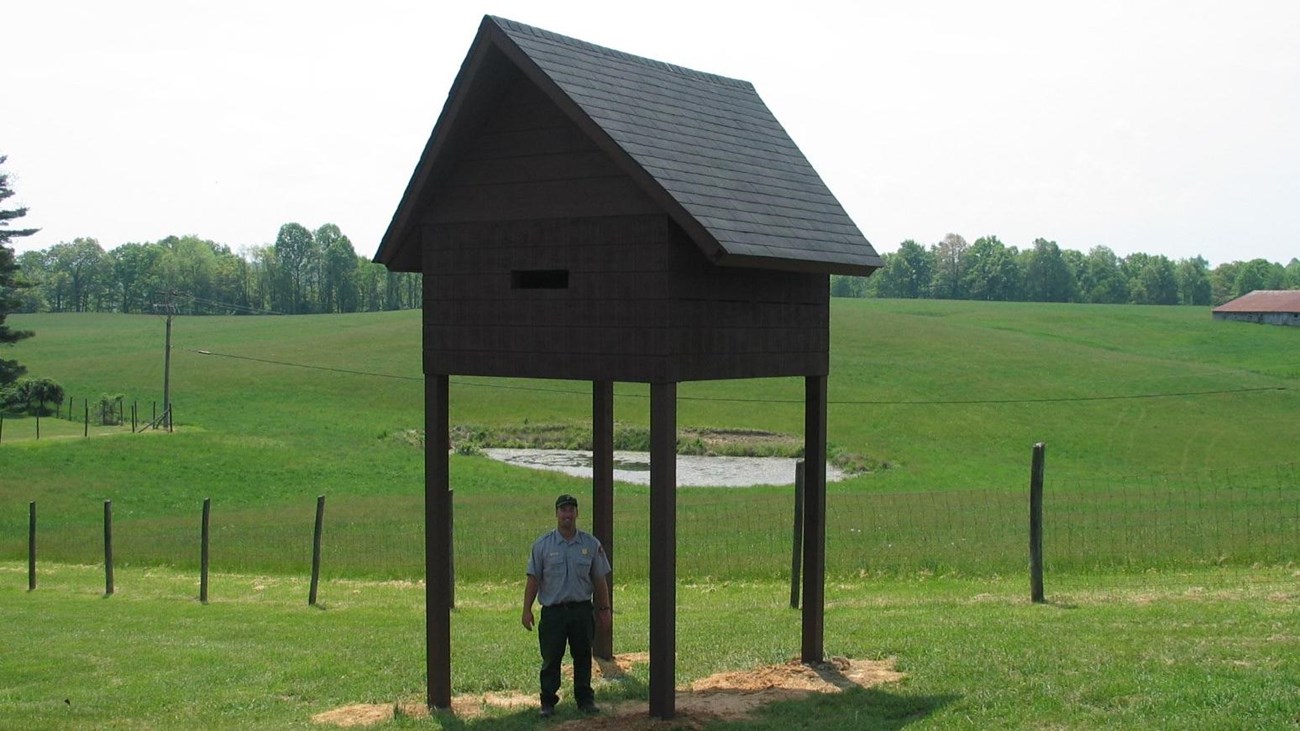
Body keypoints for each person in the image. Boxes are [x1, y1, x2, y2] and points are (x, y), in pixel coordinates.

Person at [522, 493, 612, 718]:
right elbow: (533, 579)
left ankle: (585, 700)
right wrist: (526, 610)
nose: (567, 515)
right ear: (556, 514)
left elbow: (600, 580)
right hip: (553, 613)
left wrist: (604, 610)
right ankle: (548, 702)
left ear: (577, 514)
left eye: (571, 510)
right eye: (563, 510)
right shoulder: (542, 546)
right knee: (551, 658)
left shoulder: (591, 545)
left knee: (583, 656)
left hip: (582, 611)